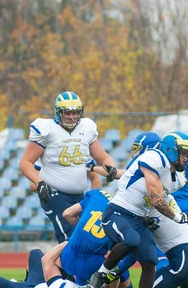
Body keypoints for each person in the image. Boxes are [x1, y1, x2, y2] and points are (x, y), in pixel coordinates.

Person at [87, 132, 188, 288]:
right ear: (171, 150)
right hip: (117, 213)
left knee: (150, 261)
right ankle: (99, 275)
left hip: (137, 219)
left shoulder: (173, 176)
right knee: (132, 240)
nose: (186, 159)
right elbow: (156, 199)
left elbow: (162, 198)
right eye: (184, 153)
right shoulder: (154, 158)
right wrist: (177, 217)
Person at [19, 91, 116, 243]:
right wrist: (39, 183)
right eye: (68, 113)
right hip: (55, 194)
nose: (72, 117)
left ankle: (62, 266)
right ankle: (64, 266)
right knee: (70, 237)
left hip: (79, 195)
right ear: (58, 113)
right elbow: (25, 162)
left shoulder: (87, 127)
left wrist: (111, 167)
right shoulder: (47, 130)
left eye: (75, 113)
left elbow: (103, 157)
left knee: (87, 235)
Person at [61, 189, 135, 288]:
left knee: (81, 282)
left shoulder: (97, 196)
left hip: (68, 257)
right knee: (122, 274)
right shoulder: (124, 212)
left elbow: (67, 214)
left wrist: (82, 230)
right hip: (92, 262)